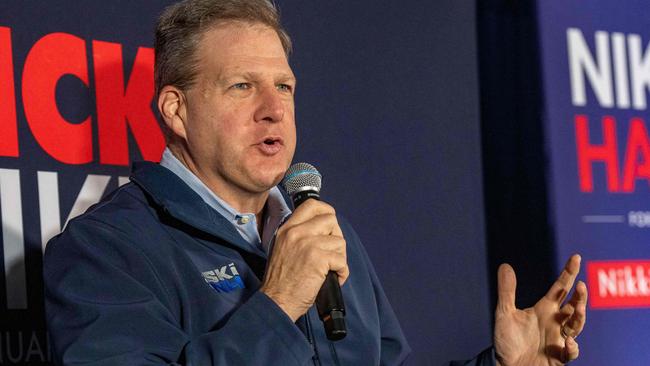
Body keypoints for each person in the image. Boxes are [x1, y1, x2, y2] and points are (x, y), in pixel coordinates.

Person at [43, 1, 587, 365]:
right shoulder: (104, 252)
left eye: (284, 85)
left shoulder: (323, 231)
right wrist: (277, 306)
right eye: (241, 86)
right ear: (175, 109)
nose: (274, 109)